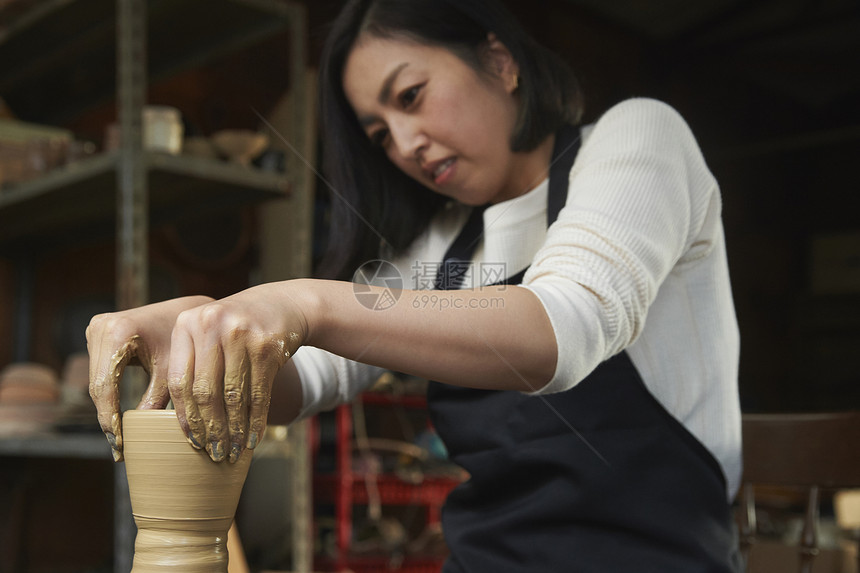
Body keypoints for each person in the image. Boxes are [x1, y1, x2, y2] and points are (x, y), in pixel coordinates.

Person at [86, 0, 743, 570]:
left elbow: (562, 328)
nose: (404, 145)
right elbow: (302, 380)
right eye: (380, 135)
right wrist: (201, 326)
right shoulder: (444, 241)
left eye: (410, 97)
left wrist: (303, 300)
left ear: (500, 60)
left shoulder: (636, 138)